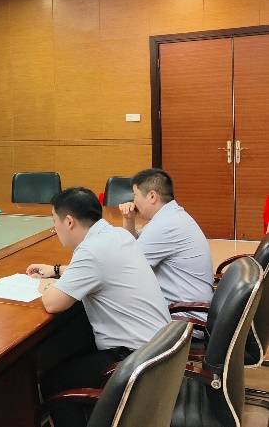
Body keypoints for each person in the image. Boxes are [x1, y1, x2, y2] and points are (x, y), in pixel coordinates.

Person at [27, 187, 170, 427]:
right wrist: (56, 270)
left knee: (53, 381)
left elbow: (52, 303)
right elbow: (100, 268)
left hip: (134, 360)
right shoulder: (118, 235)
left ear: (69, 221)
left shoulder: (90, 251)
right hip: (159, 349)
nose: (55, 229)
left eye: (55, 222)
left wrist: (47, 285)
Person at [118, 168, 214, 320]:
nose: (133, 202)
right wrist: (129, 219)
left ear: (152, 196)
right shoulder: (170, 216)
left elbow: (126, 267)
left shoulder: (165, 226)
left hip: (184, 316)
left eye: (135, 195)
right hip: (187, 306)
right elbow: (133, 247)